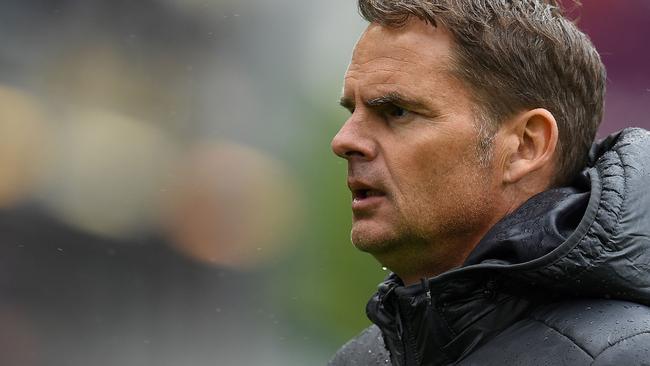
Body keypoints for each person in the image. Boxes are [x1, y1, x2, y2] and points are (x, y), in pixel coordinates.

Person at [328, 1, 650, 365]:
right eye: (352, 111)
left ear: (525, 146)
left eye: (396, 111)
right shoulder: (360, 359)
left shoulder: (625, 355)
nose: (343, 140)